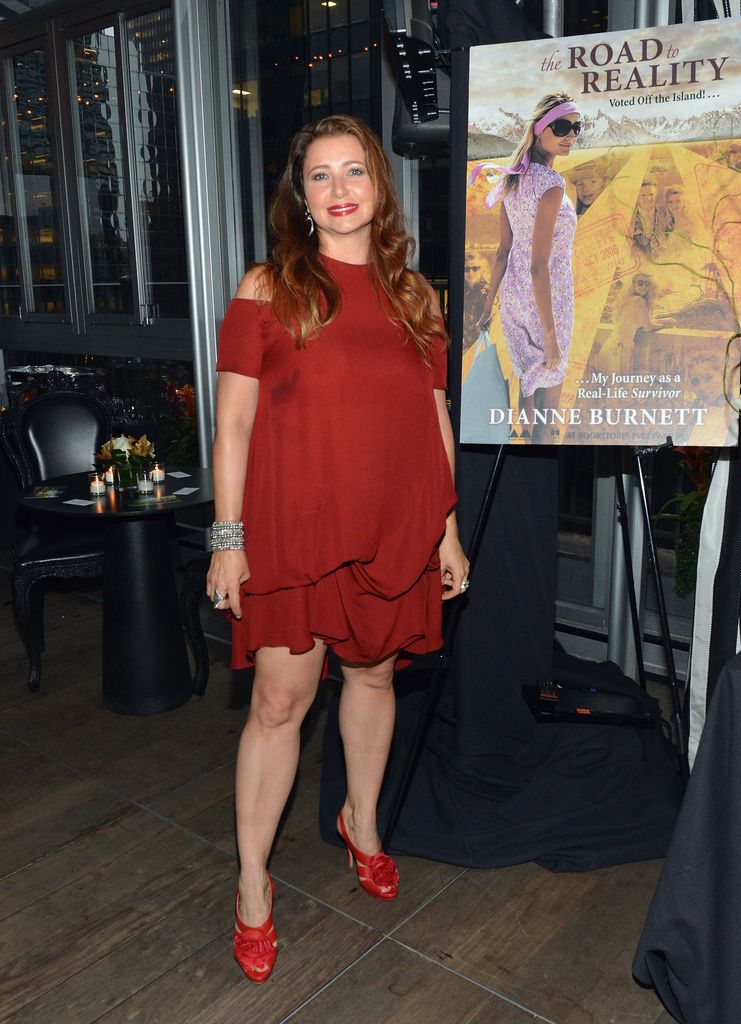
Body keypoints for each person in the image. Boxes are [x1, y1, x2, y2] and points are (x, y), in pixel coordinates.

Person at [206, 114, 469, 984]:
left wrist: (447, 528)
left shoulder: (416, 297)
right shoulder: (266, 289)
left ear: (380, 189)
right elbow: (234, 425)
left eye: (355, 171)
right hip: (292, 534)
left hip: (393, 524)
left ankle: (365, 821)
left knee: (374, 675)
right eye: (320, 175)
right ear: (301, 197)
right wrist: (228, 540)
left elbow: (433, 419)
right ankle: (252, 883)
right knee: (280, 704)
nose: (340, 187)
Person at [474, 92, 579, 442]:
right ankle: (545, 471)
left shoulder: (513, 179)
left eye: (577, 128)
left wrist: (488, 307)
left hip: (515, 300)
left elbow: (504, 251)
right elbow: (539, 264)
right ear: (539, 130)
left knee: (528, 395)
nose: (571, 135)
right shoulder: (550, 184)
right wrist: (551, 337)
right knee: (549, 412)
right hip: (550, 300)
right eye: (562, 127)